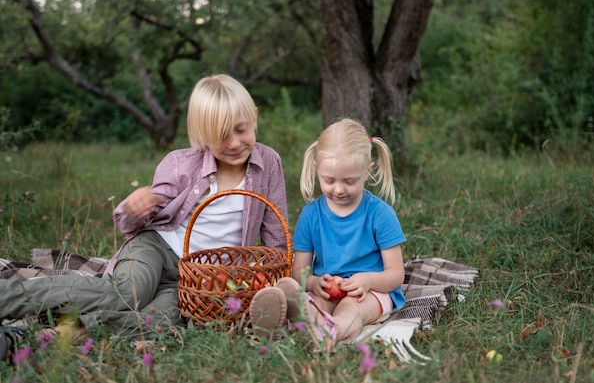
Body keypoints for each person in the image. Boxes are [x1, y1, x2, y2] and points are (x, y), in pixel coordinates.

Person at [0, 74, 288, 363]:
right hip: (157, 248)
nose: (235, 142)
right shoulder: (180, 164)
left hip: (198, 281)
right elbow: (128, 224)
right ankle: (7, 297)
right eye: (222, 135)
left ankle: (39, 340)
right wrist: (136, 208)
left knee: (159, 320)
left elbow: (276, 237)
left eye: (241, 129)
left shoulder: (269, 164)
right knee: (128, 292)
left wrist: (273, 279)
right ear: (203, 136)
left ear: (254, 117)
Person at [249, 118, 405, 347]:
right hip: (327, 288)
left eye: (350, 181)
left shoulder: (380, 214)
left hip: (371, 292)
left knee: (352, 309)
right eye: (329, 180)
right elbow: (299, 270)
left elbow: (396, 274)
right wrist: (313, 283)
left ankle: (328, 334)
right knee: (315, 303)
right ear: (317, 170)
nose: (339, 189)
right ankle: (298, 319)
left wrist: (368, 280)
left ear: (367, 171)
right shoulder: (311, 215)